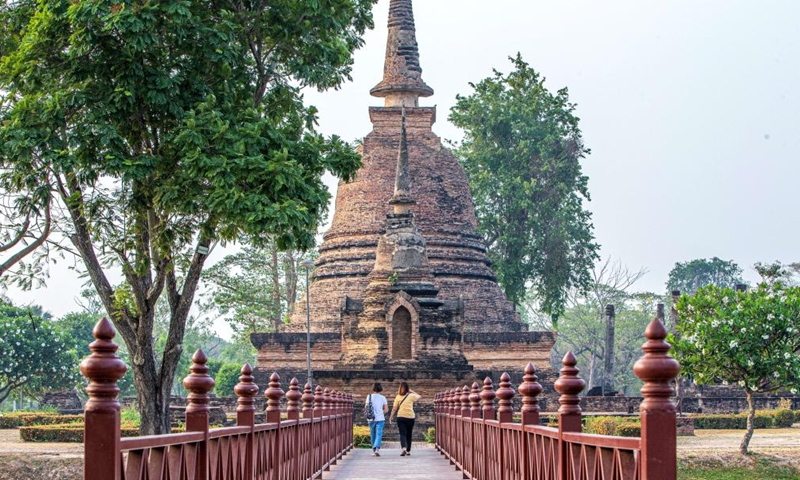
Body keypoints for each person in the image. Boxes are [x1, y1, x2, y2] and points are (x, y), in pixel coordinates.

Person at [388, 382, 421, 456]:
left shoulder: (398, 397)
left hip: (401, 417)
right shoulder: (411, 396)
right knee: (409, 434)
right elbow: (419, 396)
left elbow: (394, 408)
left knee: (402, 434)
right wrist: (411, 391)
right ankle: (408, 451)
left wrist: (391, 416)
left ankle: (404, 448)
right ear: (407, 388)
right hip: (410, 417)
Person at [365, 382, 388, 456]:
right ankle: (377, 449)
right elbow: (386, 409)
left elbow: (366, 407)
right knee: (379, 434)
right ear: (381, 388)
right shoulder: (383, 398)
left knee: (373, 434)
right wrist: (381, 413)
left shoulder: (369, 396)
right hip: (380, 418)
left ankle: (374, 450)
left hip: (371, 418)